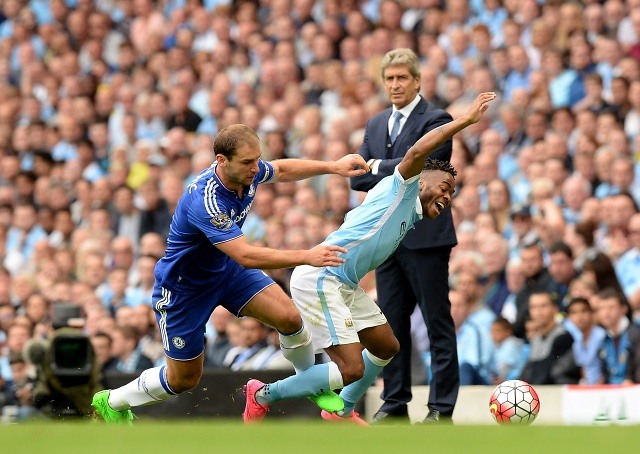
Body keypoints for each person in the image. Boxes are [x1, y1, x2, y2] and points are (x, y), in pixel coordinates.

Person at [242, 93, 496, 424]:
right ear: (424, 177)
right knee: (351, 368)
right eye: (445, 186)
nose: (448, 195)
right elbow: (418, 151)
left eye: (452, 194)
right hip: (322, 276)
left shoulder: (413, 213)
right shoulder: (403, 186)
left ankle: (342, 409)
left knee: (386, 346)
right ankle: (262, 393)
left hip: (343, 283)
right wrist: (464, 120)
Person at [91, 124, 369, 423]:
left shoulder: (245, 173)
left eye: (256, 159)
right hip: (185, 289)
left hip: (226, 271)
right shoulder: (206, 199)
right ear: (222, 160)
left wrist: (332, 166)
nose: (255, 168)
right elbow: (246, 255)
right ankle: (113, 401)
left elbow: (281, 170)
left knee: (290, 318)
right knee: (184, 378)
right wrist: (307, 256)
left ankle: (309, 384)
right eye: (247, 162)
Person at [350, 47, 461, 424]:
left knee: (436, 323)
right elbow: (356, 177)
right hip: (388, 240)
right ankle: (395, 403)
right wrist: (394, 168)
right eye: (390, 79)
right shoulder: (376, 123)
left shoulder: (438, 118)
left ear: (417, 81)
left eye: (402, 78)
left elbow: (429, 167)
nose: (395, 85)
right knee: (391, 325)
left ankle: (441, 409)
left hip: (427, 237)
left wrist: (379, 165)